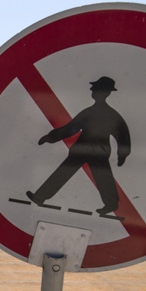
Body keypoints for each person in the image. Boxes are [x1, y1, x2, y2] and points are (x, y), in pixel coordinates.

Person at [26, 76, 131, 215]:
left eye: (96, 89)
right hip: (83, 150)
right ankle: (40, 196)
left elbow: (122, 136)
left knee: (103, 178)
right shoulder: (92, 112)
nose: (92, 91)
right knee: (64, 172)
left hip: (96, 152)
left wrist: (122, 154)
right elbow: (71, 128)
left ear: (105, 93)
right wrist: (50, 137)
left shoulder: (109, 115)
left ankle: (111, 204)